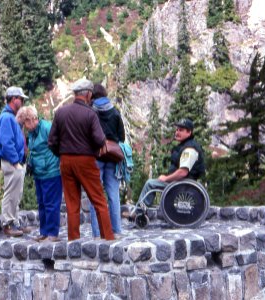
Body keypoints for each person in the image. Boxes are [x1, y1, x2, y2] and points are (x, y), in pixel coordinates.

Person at [48, 78, 115, 241]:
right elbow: (100, 140)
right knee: (99, 199)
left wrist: (62, 155)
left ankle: (73, 241)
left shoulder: (60, 112)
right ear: (88, 94)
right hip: (85, 160)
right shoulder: (90, 114)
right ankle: (108, 237)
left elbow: (51, 141)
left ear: (76, 94)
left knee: (72, 203)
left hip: (65, 161)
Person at [125, 118, 205, 218]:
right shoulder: (185, 146)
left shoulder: (189, 149)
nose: (177, 132)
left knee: (150, 184)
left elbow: (183, 172)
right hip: (181, 182)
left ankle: (138, 213)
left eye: (181, 130)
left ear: (189, 132)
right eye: (177, 129)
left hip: (183, 183)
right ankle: (141, 211)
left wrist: (166, 178)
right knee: (153, 183)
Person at [17, 106, 62, 242]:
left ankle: (52, 234)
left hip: (51, 171)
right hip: (38, 173)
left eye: (24, 123)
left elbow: (59, 144)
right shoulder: (31, 132)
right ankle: (44, 232)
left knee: (51, 204)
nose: (24, 126)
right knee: (41, 203)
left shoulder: (47, 127)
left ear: (31, 120)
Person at [88, 84, 125, 239]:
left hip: (96, 156)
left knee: (95, 196)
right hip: (113, 156)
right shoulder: (115, 111)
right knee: (113, 195)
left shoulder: (90, 112)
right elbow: (121, 136)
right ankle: (116, 230)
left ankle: (97, 233)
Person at [0, 86, 30, 237]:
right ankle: (7, 224)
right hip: (11, 162)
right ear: (14, 99)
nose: (22, 101)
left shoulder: (9, 117)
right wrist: (16, 161)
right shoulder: (7, 118)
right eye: (20, 99)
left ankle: (14, 221)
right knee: (11, 192)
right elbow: (7, 142)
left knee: (16, 192)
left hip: (14, 161)